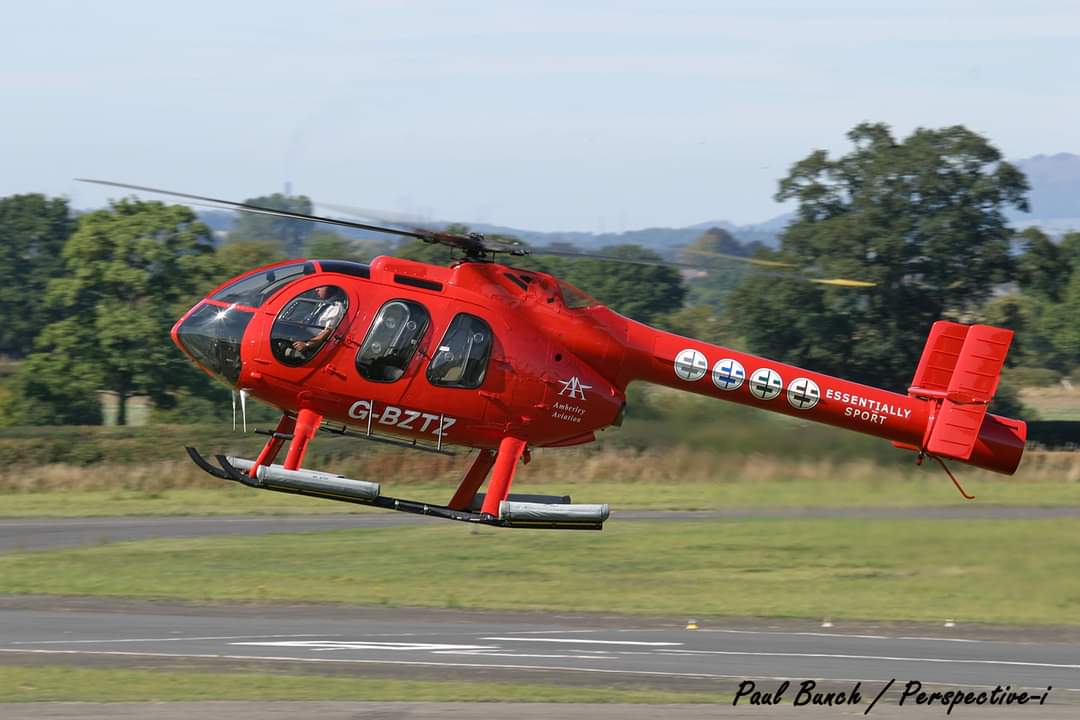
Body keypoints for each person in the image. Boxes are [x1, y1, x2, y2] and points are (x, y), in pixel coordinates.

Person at [291, 286, 344, 355]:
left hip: (313, 347)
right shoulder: (323, 304)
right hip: (303, 336)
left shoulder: (336, 307)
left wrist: (306, 345)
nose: (316, 289)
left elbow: (326, 333)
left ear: (330, 288)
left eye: (321, 287)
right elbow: (308, 321)